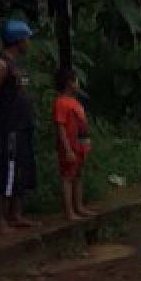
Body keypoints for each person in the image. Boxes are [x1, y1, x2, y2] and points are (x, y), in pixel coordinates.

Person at [0, 19, 39, 234]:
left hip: (22, 125)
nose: (28, 43)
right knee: (6, 170)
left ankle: (16, 214)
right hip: (8, 127)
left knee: (22, 169)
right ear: (18, 40)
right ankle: (0, 219)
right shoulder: (0, 64)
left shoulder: (17, 64)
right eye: (26, 39)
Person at [52, 68, 95, 220]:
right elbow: (61, 126)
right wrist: (67, 149)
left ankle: (79, 206)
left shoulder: (74, 102)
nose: (78, 83)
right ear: (70, 83)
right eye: (76, 80)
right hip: (70, 146)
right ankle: (69, 211)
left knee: (78, 175)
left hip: (81, 145)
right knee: (68, 177)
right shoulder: (61, 103)